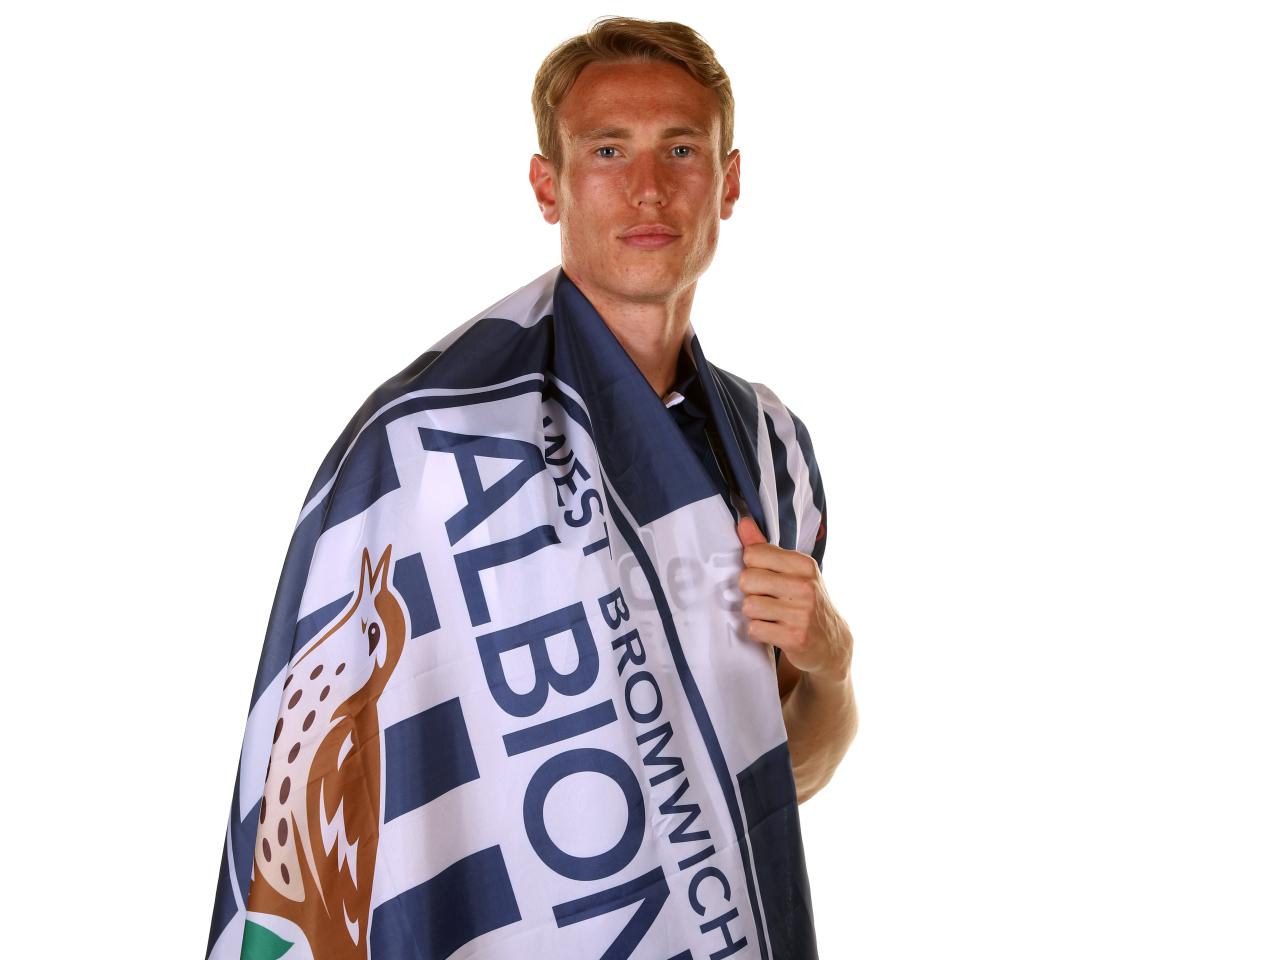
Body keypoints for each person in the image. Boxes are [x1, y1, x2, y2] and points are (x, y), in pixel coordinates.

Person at [206, 15, 856, 960]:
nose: (647, 187)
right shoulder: (431, 445)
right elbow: (326, 800)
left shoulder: (768, 446)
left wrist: (829, 656)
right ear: (548, 187)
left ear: (729, 181)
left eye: (681, 148)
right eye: (607, 150)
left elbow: (786, 769)